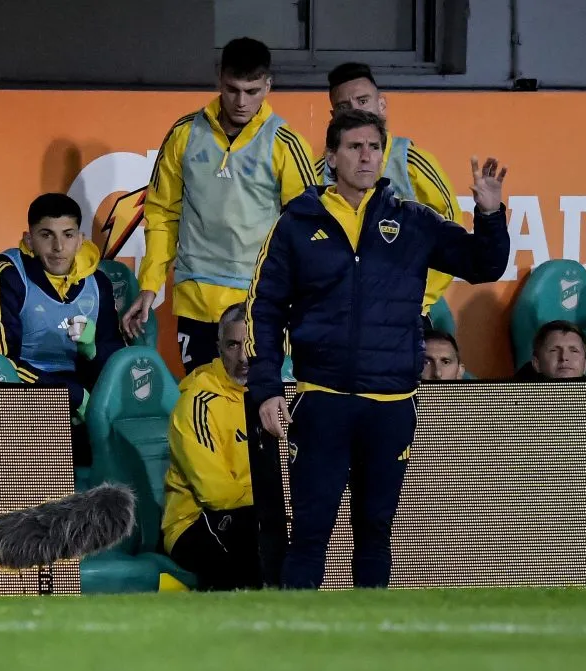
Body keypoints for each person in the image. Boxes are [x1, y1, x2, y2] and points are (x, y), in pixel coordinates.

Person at [247, 109, 510, 590]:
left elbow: (483, 266)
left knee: (374, 532)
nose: (366, 156)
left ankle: (372, 650)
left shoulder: (412, 220)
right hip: (322, 399)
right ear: (331, 157)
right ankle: (288, 647)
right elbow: (263, 309)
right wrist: (265, 388)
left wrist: (490, 214)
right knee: (309, 534)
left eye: (373, 147)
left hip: (390, 406)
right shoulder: (296, 223)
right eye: (354, 147)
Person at [122, 37, 316, 373]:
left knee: (258, 406)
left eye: (252, 91)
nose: (242, 101)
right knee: (200, 400)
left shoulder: (286, 143)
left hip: (259, 302)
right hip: (196, 300)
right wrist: (150, 285)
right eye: (233, 89)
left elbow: (309, 227)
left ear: (268, 86)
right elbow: (162, 214)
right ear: (219, 79)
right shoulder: (184, 134)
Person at [0, 193, 124, 463]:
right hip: (24, 398)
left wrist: (92, 351)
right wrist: (69, 395)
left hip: (84, 397)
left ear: (80, 240)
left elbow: (114, 358)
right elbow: (2, 363)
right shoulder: (9, 275)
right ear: (29, 239)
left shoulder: (98, 282)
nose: (58, 247)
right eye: (47, 235)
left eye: (68, 235)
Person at [315, 63, 462, 329]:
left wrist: (417, 297)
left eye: (363, 100)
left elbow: (451, 236)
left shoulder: (412, 162)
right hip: (335, 317)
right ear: (333, 115)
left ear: (381, 105)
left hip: (403, 314)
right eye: (345, 106)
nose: (357, 110)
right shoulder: (318, 173)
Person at [161, 303, 261, 591]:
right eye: (233, 345)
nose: (243, 357)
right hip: (191, 522)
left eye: (250, 344)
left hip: (253, 511)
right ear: (219, 348)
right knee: (251, 540)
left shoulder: (270, 399)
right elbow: (216, 494)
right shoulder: (197, 402)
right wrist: (271, 504)